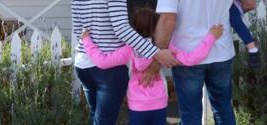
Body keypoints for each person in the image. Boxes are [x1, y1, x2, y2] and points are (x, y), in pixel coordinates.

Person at [71, 0, 179, 125]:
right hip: (109, 70)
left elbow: (78, 28)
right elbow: (121, 28)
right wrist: (156, 52)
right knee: (104, 121)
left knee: (95, 117)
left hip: (83, 64)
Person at [81, 7, 224, 125]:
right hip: (159, 103)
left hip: (136, 104)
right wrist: (211, 37)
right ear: (156, 27)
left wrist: (87, 41)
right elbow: (191, 58)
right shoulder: (165, 49)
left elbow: (103, 62)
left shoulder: (129, 49)